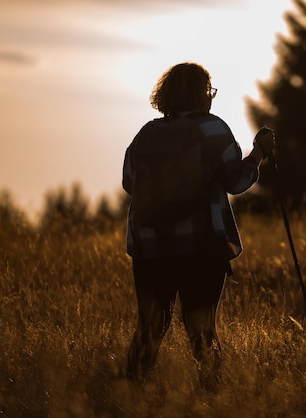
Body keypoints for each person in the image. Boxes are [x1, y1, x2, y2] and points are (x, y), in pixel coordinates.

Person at [122, 62, 275, 390]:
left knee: (150, 327)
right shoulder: (213, 129)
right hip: (201, 246)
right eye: (209, 91)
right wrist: (258, 155)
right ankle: (212, 399)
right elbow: (236, 181)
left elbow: (128, 183)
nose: (211, 97)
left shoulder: (146, 134)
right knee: (201, 329)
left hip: (149, 248)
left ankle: (127, 396)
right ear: (201, 95)